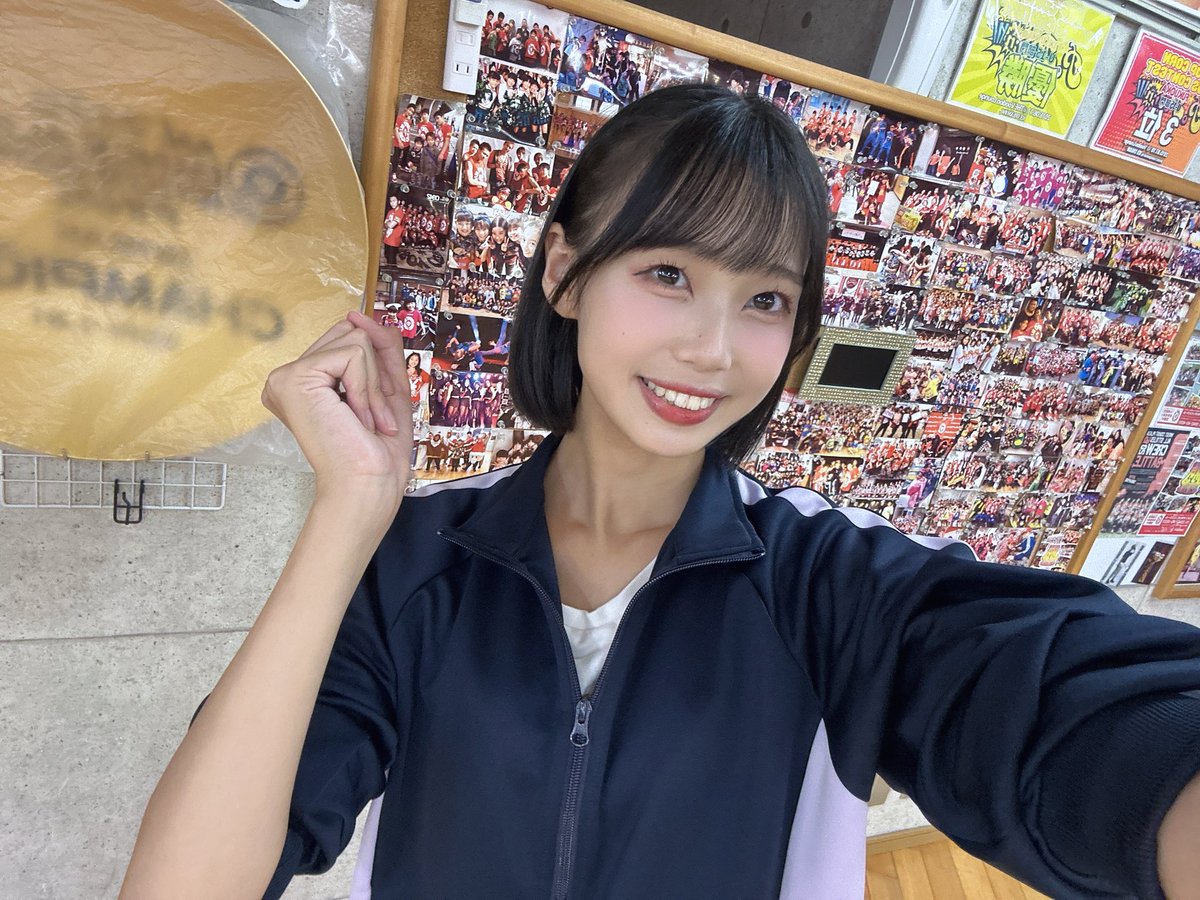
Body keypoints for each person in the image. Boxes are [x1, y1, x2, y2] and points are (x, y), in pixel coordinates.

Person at [121, 84, 1200, 900]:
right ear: (564, 274)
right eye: (669, 274)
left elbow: (1066, 706)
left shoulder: (831, 583)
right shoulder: (413, 560)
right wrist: (349, 516)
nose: (713, 349)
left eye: (766, 299)